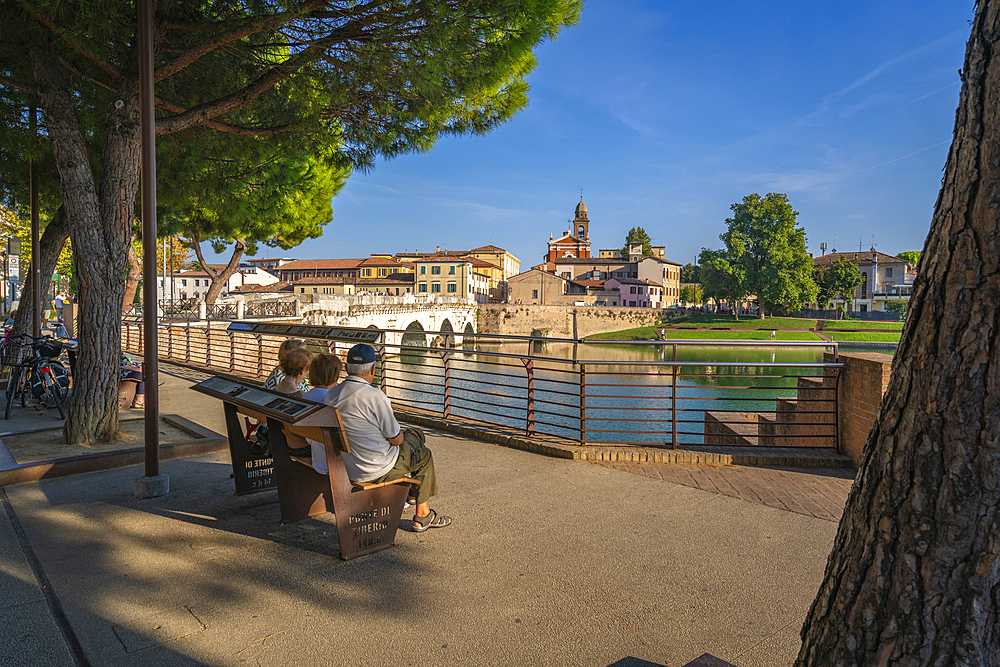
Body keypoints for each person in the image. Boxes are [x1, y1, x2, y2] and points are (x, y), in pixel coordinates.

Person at [324, 343, 451, 532]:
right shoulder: (375, 396)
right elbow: (397, 440)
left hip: (347, 467)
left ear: (346, 367)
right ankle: (422, 513)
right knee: (422, 452)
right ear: (373, 369)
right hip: (376, 469)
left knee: (412, 442)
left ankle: (413, 494)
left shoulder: (331, 394)